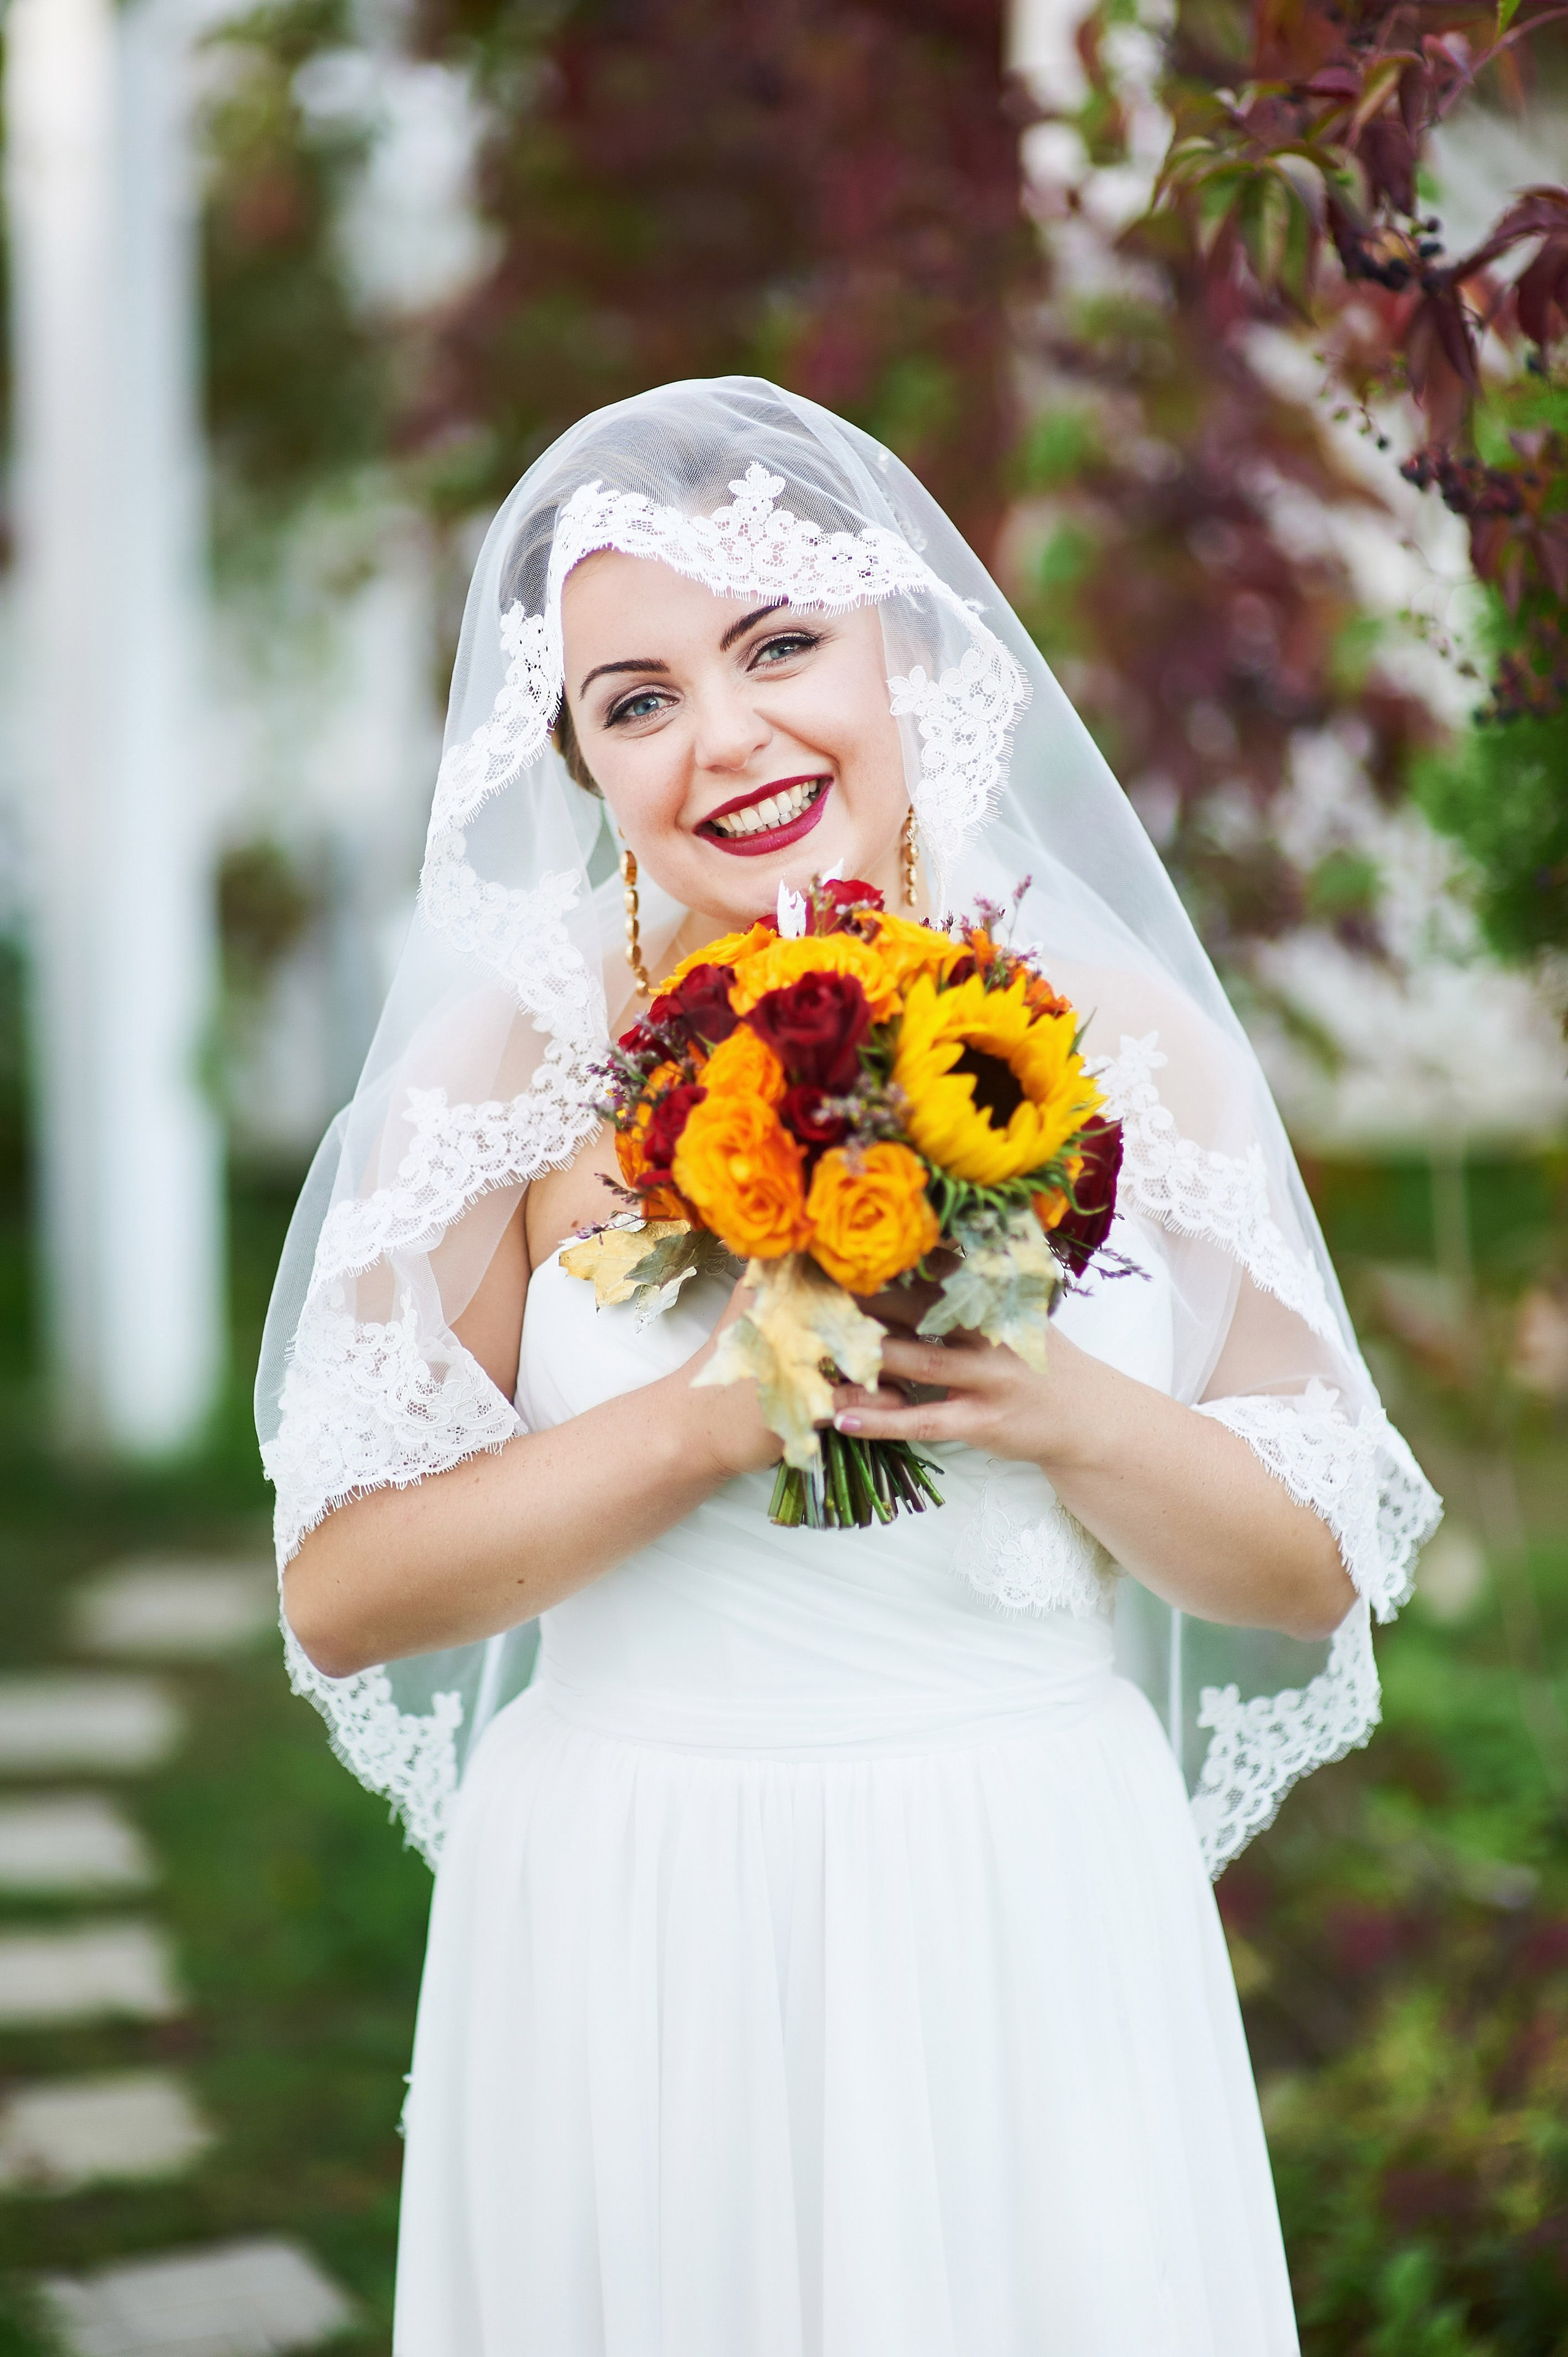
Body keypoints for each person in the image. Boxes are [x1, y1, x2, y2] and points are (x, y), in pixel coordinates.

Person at [257, 379, 1440, 2356]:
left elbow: (1305, 1569)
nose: (725, 739)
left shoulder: (1131, 1040)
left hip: (1029, 1899)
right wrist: (712, 1416)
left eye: (779, 645)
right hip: (645, 1909)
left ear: (910, 648)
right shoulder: (510, 1069)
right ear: (581, 760)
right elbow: (348, 1588)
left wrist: (1059, 1405)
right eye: (635, 701)